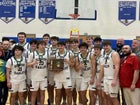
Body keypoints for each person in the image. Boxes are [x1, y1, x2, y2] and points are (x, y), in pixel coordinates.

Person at [97, 40, 120, 105]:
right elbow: (102, 69)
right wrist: (99, 80)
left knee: (113, 98)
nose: (105, 47)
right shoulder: (104, 55)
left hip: (112, 79)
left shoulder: (114, 54)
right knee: (106, 97)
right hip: (105, 79)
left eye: (107, 46)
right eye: (104, 46)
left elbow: (117, 67)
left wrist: (115, 79)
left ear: (110, 46)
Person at [27, 40, 48, 105]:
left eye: (44, 45)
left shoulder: (47, 54)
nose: (43, 46)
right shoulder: (32, 54)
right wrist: (32, 63)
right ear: (38, 45)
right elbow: (27, 64)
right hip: (34, 77)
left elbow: (49, 63)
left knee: (42, 93)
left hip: (44, 77)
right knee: (34, 94)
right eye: (41, 45)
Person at [47, 36, 59, 105]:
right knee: (50, 88)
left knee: (58, 89)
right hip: (50, 71)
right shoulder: (47, 49)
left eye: (55, 40)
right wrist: (49, 65)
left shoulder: (60, 48)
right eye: (52, 40)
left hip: (58, 71)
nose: (53, 41)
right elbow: (47, 60)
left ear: (57, 41)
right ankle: (51, 102)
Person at [70, 39, 82, 105]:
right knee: (72, 90)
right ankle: (74, 102)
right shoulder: (69, 52)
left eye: (76, 43)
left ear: (78, 44)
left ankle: (80, 103)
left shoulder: (81, 52)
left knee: (80, 91)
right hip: (71, 74)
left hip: (80, 74)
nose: (74, 44)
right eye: (73, 43)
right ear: (71, 44)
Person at [1, 39, 13, 105]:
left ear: (9, 45)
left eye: (7, 44)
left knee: (6, 92)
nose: (5, 45)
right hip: (0, 75)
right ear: (2, 45)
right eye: (4, 44)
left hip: (8, 75)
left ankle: (3, 103)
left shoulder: (12, 52)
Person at [26, 39, 38, 105]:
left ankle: (37, 102)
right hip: (29, 72)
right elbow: (24, 62)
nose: (33, 45)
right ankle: (29, 102)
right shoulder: (26, 52)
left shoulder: (40, 52)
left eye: (35, 44)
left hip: (37, 73)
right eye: (32, 44)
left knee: (37, 89)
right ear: (30, 45)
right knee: (29, 88)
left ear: (37, 45)